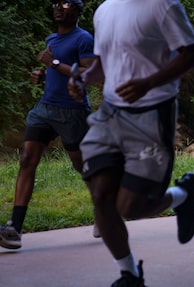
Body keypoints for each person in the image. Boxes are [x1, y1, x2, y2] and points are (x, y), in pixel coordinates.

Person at [68, 0, 194, 286]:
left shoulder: (163, 5)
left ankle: (182, 195)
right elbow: (102, 67)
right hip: (110, 113)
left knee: (130, 207)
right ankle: (130, 274)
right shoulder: (105, 10)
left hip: (152, 114)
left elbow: (192, 54)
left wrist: (148, 83)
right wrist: (82, 80)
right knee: (101, 196)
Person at [0, 0, 95, 250]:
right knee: (27, 159)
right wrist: (42, 75)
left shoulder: (84, 39)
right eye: (56, 3)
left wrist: (52, 64)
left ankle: (106, 208)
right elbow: (56, 69)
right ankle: (14, 229)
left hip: (72, 112)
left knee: (80, 164)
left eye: (65, 3)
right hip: (45, 108)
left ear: (77, 10)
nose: (58, 7)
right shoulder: (51, 38)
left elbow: (86, 75)